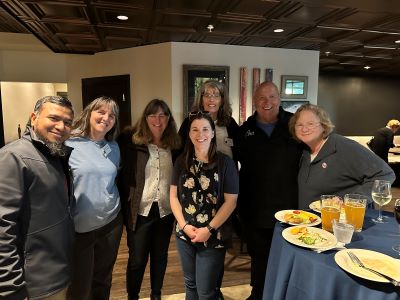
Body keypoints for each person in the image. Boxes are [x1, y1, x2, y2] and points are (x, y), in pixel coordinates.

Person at [0, 96, 75, 299]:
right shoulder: (13, 157)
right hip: (32, 284)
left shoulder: (55, 154)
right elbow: (3, 227)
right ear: (34, 118)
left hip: (55, 273)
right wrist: (11, 287)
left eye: (67, 122)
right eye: (54, 118)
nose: (61, 126)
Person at [235, 81, 302, 300]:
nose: (267, 102)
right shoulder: (244, 131)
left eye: (272, 97)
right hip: (254, 209)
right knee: (259, 256)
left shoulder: (295, 125)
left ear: (279, 98)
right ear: (254, 101)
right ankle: (259, 293)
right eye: (262, 98)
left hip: (290, 209)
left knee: (288, 256)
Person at [178, 80, 239, 299]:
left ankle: (214, 291)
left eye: (216, 94)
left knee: (215, 257)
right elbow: (180, 153)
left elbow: (240, 154)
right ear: (200, 98)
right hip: (195, 191)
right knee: (193, 281)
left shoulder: (229, 123)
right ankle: (210, 291)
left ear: (222, 99)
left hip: (223, 191)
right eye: (207, 94)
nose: (211, 99)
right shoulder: (189, 122)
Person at [118, 99, 181, 300]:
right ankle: (133, 296)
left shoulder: (176, 146)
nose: (158, 119)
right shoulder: (132, 142)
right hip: (140, 211)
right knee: (137, 259)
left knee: (160, 257)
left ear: (169, 119)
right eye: (153, 115)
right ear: (145, 118)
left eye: (163, 115)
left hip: (165, 211)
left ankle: (156, 295)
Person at [66, 97, 122, 300]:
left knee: (103, 279)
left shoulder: (113, 147)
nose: (106, 118)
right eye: (101, 112)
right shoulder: (69, 143)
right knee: (80, 285)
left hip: (111, 223)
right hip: (80, 227)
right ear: (89, 113)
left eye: (112, 115)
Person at [289, 103, 396, 209]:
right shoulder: (304, 151)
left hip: (342, 223)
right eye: (299, 125)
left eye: (310, 124)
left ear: (323, 125)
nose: (304, 129)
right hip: (310, 222)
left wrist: (352, 201)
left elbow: (385, 174)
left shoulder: (344, 146)